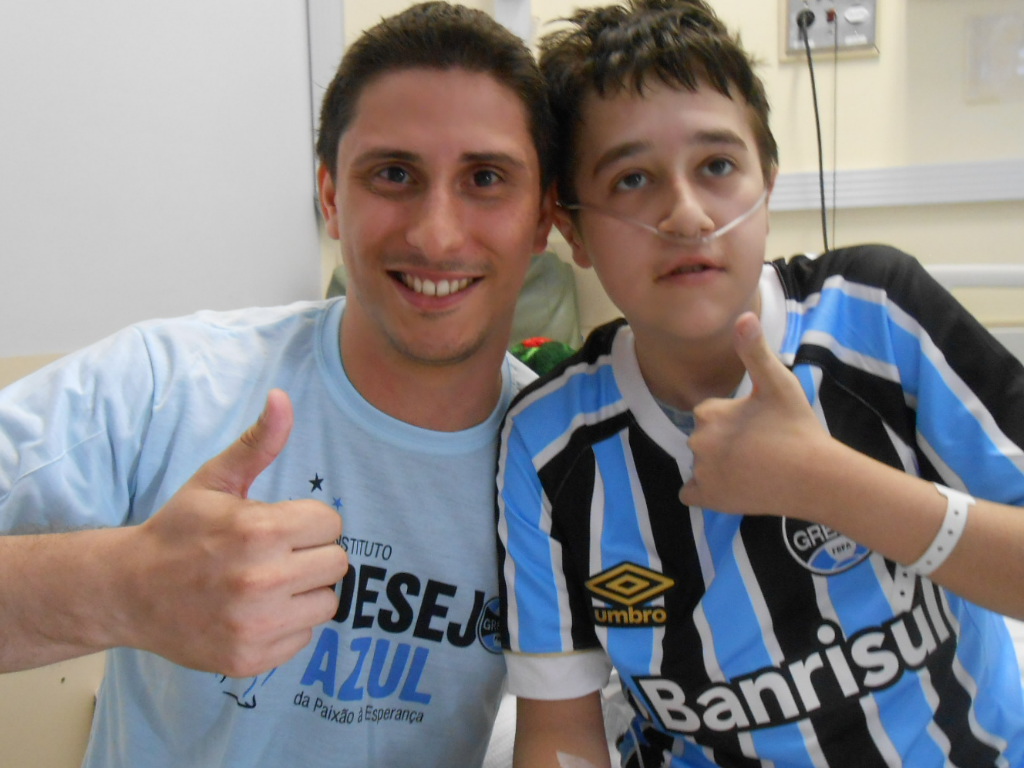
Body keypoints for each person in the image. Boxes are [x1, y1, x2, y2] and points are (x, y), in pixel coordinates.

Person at [0, 3, 555, 766]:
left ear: (543, 219)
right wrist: (123, 587)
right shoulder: (172, 386)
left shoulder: (568, 465)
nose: (436, 234)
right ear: (330, 195)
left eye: (485, 179)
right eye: (394, 174)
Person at [496, 1, 1024, 765]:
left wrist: (828, 483)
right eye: (632, 178)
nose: (684, 215)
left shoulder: (875, 317)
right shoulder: (549, 445)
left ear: (767, 183)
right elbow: (559, 736)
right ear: (573, 229)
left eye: (717, 166)